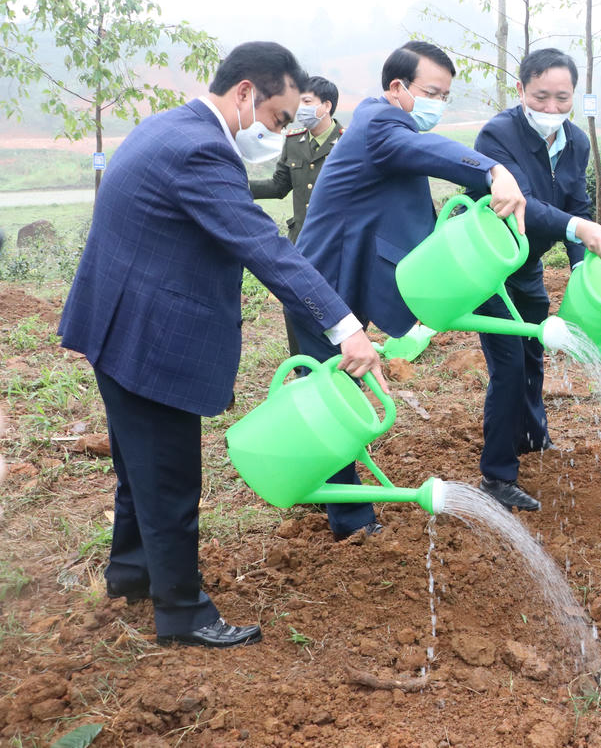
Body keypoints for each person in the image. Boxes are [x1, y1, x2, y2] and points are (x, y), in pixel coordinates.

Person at [58, 42, 385, 648]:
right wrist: (345, 325)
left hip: (115, 322)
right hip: (150, 337)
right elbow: (266, 248)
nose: (281, 130)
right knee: (171, 477)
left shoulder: (167, 127)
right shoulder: (202, 150)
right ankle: (183, 613)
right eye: (279, 118)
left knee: (139, 467)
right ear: (244, 93)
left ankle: (131, 575)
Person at [293, 41, 526, 536]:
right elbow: (432, 153)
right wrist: (492, 169)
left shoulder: (387, 127)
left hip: (348, 274)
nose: (437, 104)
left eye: (445, 95)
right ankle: (350, 521)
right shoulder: (379, 123)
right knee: (335, 394)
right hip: (321, 283)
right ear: (397, 88)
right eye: (430, 92)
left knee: (335, 389)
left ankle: (318, 488)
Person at [471, 48, 601, 512]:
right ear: (521, 91)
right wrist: (578, 229)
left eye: (562, 98)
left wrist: (579, 266)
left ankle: (533, 436)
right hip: (488, 269)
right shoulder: (498, 135)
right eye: (541, 97)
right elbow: (524, 202)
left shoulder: (575, 141)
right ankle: (497, 475)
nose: (552, 109)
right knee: (508, 367)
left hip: (526, 267)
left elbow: (577, 203)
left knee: (533, 356)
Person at [251, 75, 343, 357]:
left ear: (325, 106)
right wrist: (235, 184)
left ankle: (339, 374)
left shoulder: (347, 143)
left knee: (337, 308)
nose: (298, 108)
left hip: (338, 244)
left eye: (306, 101)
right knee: (295, 306)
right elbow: (279, 186)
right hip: (301, 241)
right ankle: (303, 369)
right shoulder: (293, 141)